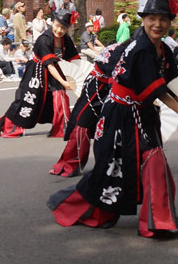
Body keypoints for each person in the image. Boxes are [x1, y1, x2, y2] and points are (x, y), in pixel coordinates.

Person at [48, 0, 178, 238]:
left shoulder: (164, 51)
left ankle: (158, 220)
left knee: (155, 160)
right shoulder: (139, 49)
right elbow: (158, 89)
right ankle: (77, 205)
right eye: (151, 19)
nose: (157, 24)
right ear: (143, 20)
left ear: (171, 22)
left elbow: (171, 87)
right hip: (120, 114)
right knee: (110, 171)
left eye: (163, 19)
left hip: (143, 111)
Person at [50, 39, 133, 178]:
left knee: (121, 128)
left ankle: (126, 164)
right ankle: (71, 163)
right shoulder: (119, 51)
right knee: (82, 125)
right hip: (98, 89)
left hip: (116, 89)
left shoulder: (141, 50)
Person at [0, 9, 79, 138]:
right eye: (57, 26)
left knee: (60, 97)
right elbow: (49, 65)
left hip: (54, 69)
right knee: (27, 100)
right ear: (52, 22)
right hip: (37, 70)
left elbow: (75, 60)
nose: (59, 30)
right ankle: (9, 127)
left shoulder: (66, 39)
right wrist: (63, 81)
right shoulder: (44, 39)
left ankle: (61, 129)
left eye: (63, 28)